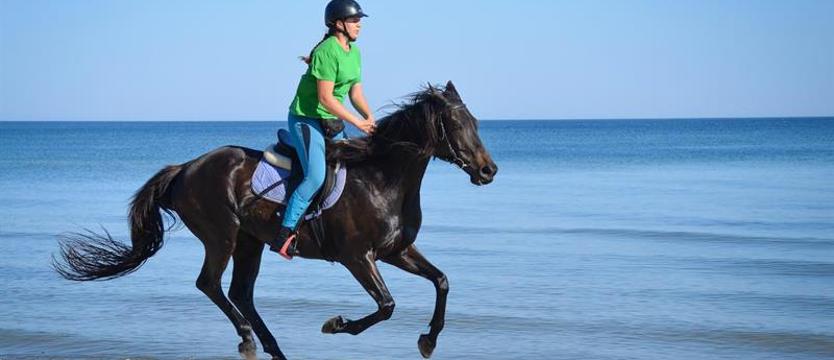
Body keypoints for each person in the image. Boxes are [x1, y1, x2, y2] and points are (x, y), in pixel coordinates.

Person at [268, 0, 376, 260]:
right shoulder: (328, 51)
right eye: (354, 21)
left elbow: (355, 92)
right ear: (338, 24)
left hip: (332, 121)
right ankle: (284, 235)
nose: (359, 25)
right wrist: (356, 122)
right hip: (307, 119)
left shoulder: (354, 51)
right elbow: (326, 99)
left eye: (359, 20)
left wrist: (369, 116)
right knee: (315, 177)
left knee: (355, 165)